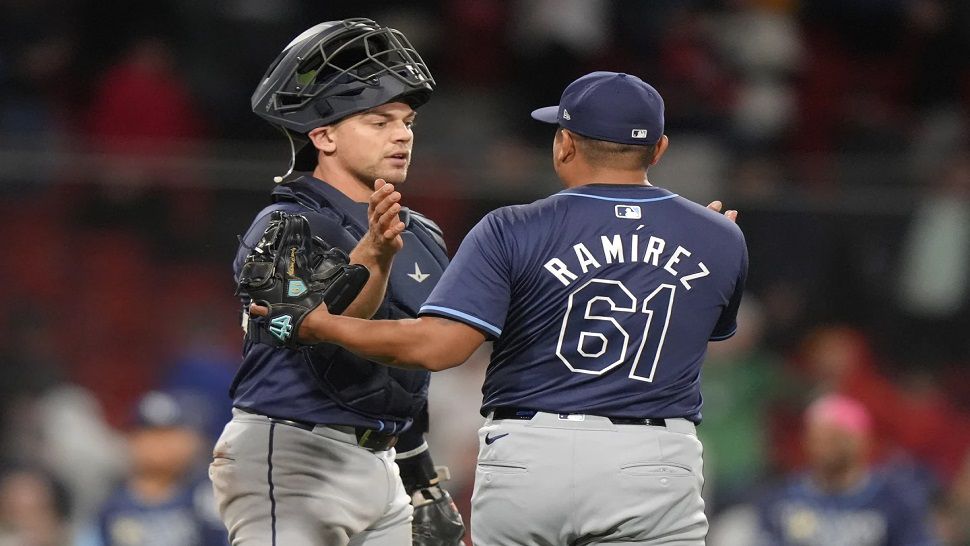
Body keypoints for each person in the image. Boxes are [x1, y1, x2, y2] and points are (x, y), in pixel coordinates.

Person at [255, 71, 747, 545]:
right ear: (659, 149)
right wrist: (700, 238)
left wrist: (325, 325)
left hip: (532, 457)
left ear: (564, 144)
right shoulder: (721, 237)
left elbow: (439, 348)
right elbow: (696, 330)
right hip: (655, 459)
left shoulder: (513, 227)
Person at [210, 18, 463, 546]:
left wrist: (422, 481)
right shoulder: (285, 225)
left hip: (383, 462)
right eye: (378, 121)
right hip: (293, 452)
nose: (402, 134)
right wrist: (371, 259)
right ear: (322, 135)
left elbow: (401, 372)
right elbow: (311, 329)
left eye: (408, 121)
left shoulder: (421, 233)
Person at [757, 394, 937, 546]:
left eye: (835, 439)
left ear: (861, 441)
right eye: (817, 438)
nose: (824, 448)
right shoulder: (784, 499)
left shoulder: (892, 501)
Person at [95, 391, 226, 546]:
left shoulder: (207, 495)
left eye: (170, 434)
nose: (163, 445)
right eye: (152, 435)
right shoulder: (111, 505)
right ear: (131, 440)